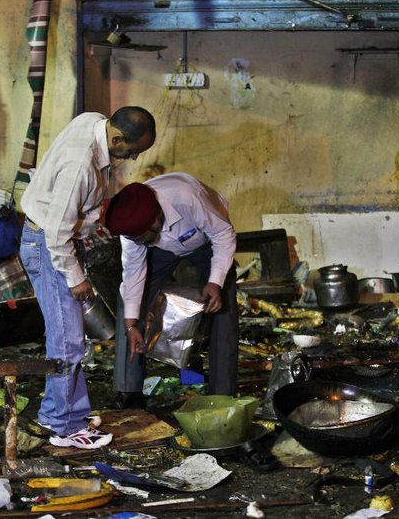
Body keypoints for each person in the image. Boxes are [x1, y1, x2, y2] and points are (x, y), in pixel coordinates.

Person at [19, 107, 156, 449]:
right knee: (67, 340)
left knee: (70, 336)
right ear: (116, 137)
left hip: (55, 239)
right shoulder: (79, 166)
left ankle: (70, 415)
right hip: (49, 247)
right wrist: (76, 277)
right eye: (133, 150)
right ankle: (61, 423)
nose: (133, 157)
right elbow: (56, 234)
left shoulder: (91, 120)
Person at [102, 173, 239, 407]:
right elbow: (134, 273)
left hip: (205, 240)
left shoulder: (188, 197)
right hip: (165, 252)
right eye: (140, 241)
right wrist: (132, 324)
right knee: (130, 301)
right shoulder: (132, 230)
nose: (146, 242)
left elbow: (223, 235)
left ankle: (222, 394)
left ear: (156, 218)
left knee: (222, 301)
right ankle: (129, 390)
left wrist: (215, 282)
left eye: (147, 237)